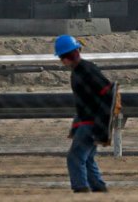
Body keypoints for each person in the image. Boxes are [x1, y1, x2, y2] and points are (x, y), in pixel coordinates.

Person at [55, 34, 111, 194]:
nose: (62, 60)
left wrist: (101, 123)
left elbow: (107, 94)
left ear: (66, 57)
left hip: (91, 122)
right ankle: (98, 187)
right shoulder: (82, 70)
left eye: (62, 57)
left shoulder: (85, 70)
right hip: (89, 121)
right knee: (87, 157)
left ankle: (81, 188)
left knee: (75, 157)